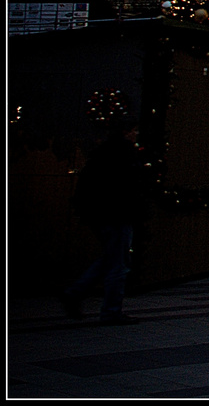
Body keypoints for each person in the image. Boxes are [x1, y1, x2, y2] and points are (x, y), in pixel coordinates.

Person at [60, 114, 152, 324]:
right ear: (126, 132)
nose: (136, 134)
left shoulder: (104, 153)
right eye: (134, 131)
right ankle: (109, 310)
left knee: (112, 258)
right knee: (118, 263)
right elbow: (127, 187)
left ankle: (76, 292)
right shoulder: (124, 155)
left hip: (105, 213)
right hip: (117, 214)